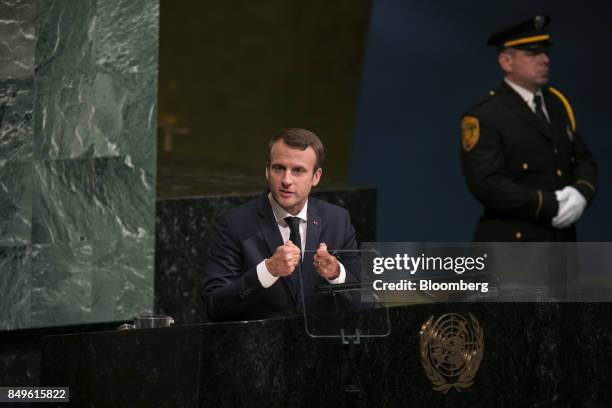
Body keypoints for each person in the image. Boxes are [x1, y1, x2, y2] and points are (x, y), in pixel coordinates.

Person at [460, 15, 598, 242]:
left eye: (545, 52)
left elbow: (584, 160)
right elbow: (487, 184)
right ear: (506, 62)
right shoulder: (485, 114)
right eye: (532, 53)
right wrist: (550, 206)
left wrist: (581, 194)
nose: (545, 59)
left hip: (561, 243)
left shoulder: (557, 105)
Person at [202, 128, 360, 322]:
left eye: (298, 170)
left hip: (321, 349)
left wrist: (337, 273)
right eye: (279, 168)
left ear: (316, 176)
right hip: (259, 349)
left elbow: (367, 302)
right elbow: (214, 306)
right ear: (267, 170)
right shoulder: (234, 224)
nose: (286, 180)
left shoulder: (338, 219)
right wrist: (267, 271)